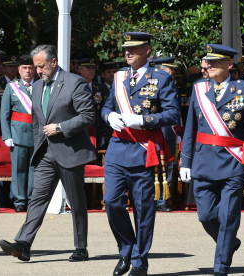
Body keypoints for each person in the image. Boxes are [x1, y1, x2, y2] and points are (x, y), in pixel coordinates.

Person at [0, 44, 96, 262]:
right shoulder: (38, 86)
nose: (37, 71)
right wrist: (38, 146)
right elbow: (36, 122)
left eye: (41, 66)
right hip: (46, 153)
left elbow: (88, 115)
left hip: (70, 151)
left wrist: (60, 127)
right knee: (37, 199)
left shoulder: (74, 82)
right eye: (35, 67)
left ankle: (81, 247)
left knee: (76, 201)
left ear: (53, 62)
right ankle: (23, 243)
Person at [180, 44, 244, 276]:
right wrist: (185, 161)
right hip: (202, 161)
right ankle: (229, 241)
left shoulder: (243, 89)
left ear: (229, 65)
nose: (208, 66)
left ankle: (221, 266)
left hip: (232, 163)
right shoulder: (198, 88)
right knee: (206, 216)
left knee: (228, 216)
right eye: (207, 62)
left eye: (214, 62)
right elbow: (190, 127)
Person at [102, 32, 180, 276]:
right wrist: (108, 116)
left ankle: (139, 260)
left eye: (134, 48)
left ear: (147, 50)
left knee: (143, 209)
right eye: (126, 48)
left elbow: (172, 115)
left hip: (144, 150)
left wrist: (142, 120)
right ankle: (126, 248)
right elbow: (107, 105)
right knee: (112, 202)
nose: (128, 52)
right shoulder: (119, 77)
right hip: (117, 149)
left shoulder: (161, 78)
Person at [0, 53, 36, 212]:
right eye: (24, 68)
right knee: (19, 170)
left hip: (37, 135)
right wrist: (7, 135)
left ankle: (33, 200)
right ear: (19, 70)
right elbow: (4, 114)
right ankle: (20, 201)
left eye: (30, 68)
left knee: (35, 170)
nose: (28, 71)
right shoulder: (11, 87)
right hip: (18, 135)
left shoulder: (42, 86)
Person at [152, 57, 182, 212]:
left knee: (168, 163)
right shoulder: (152, 85)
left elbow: (176, 111)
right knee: (153, 163)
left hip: (170, 131)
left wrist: (179, 129)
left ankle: (163, 199)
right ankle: (152, 198)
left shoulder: (173, 86)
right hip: (156, 129)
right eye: (171, 69)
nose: (174, 72)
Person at [78, 57, 108, 150]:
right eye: (88, 68)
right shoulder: (75, 87)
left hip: (96, 130)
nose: (91, 71)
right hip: (80, 130)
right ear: (80, 70)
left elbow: (102, 110)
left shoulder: (99, 88)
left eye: (93, 68)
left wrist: (103, 134)